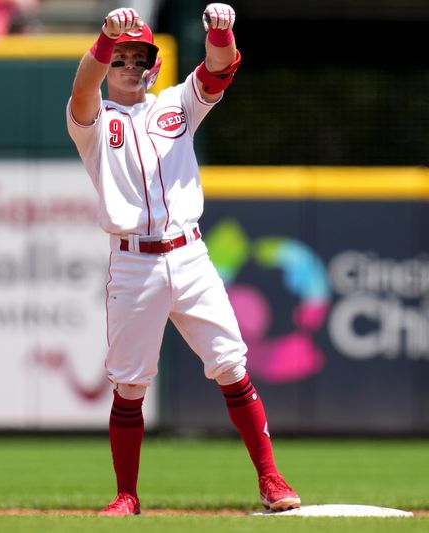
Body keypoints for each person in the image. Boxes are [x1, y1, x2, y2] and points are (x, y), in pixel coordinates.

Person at [66, 4, 301, 516]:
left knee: (231, 367)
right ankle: (127, 495)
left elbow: (220, 68)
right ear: (110, 62)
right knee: (130, 384)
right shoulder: (94, 120)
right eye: (121, 57)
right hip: (133, 263)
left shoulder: (177, 104)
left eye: (138, 57)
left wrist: (222, 31)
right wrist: (105, 39)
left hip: (189, 254)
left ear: (153, 65)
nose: (129, 65)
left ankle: (271, 478)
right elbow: (84, 88)